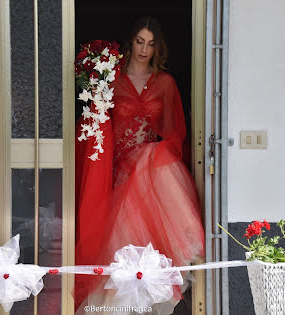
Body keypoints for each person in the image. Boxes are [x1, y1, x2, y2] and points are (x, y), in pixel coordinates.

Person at [74, 17, 205, 315]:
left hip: (149, 165)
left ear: (158, 48)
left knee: (155, 160)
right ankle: (118, 306)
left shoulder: (165, 83)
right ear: (130, 41)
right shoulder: (110, 79)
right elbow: (95, 128)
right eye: (139, 41)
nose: (145, 49)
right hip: (117, 167)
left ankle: (153, 295)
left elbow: (174, 134)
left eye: (151, 43)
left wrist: (152, 156)